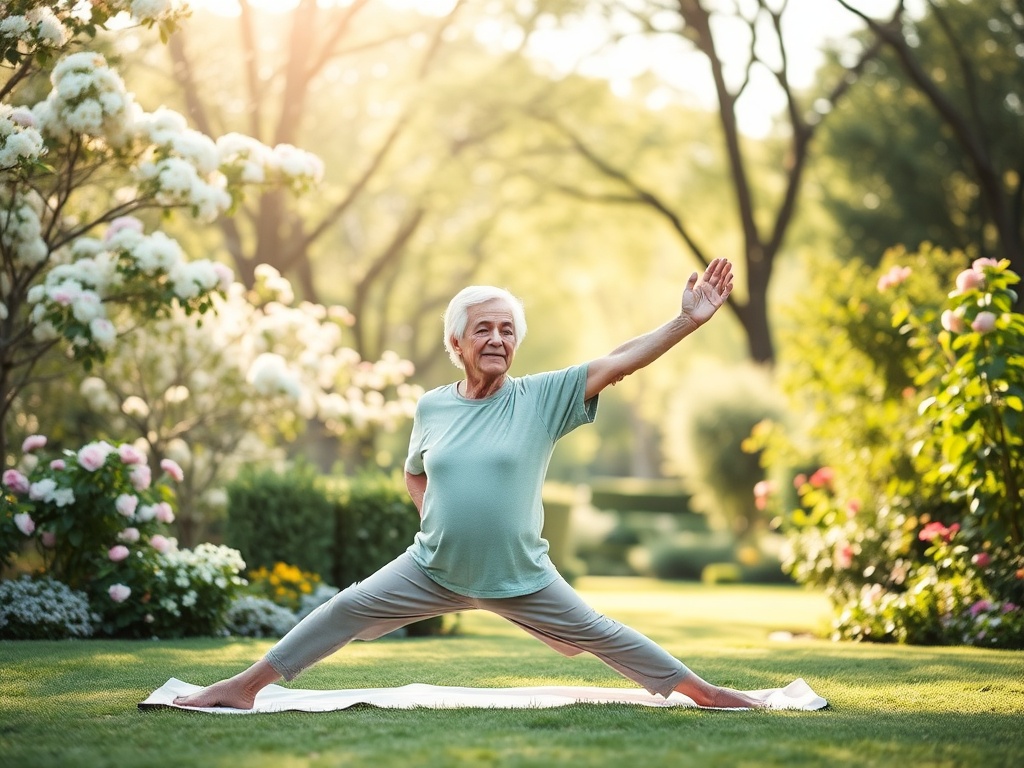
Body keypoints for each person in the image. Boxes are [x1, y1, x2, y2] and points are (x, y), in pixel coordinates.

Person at [173, 257, 763, 710]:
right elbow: (413, 471)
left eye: (508, 330)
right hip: (432, 567)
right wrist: (437, 520)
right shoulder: (432, 406)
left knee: (601, 635)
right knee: (345, 607)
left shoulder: (541, 397)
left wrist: (687, 320)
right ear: (456, 343)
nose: (498, 341)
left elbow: (621, 358)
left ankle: (705, 692)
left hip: (521, 573)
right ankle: (243, 687)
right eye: (484, 330)